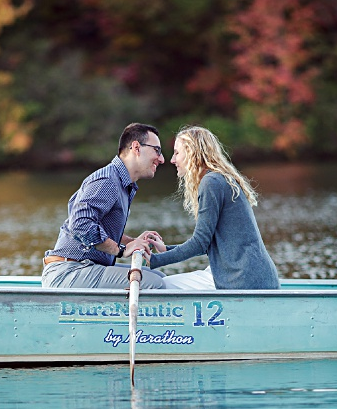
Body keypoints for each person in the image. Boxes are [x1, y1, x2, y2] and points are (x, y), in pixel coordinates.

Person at [150, 126, 280, 290]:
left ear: (192, 153)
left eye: (177, 153)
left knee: (161, 285)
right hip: (250, 274)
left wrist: (155, 260)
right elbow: (209, 243)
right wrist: (165, 250)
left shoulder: (211, 183)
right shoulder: (219, 179)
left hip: (242, 279)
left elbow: (200, 243)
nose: (172, 160)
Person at [42, 123, 170, 289]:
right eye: (157, 150)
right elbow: (80, 224)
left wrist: (135, 242)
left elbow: (98, 227)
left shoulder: (122, 183)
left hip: (85, 268)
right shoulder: (108, 180)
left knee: (160, 277)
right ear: (136, 148)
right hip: (68, 272)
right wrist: (121, 250)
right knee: (155, 284)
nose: (162, 159)